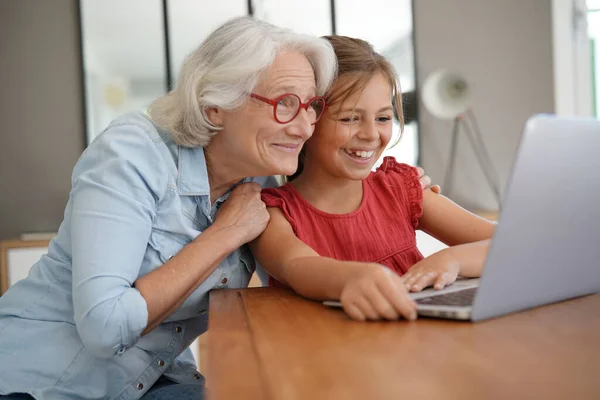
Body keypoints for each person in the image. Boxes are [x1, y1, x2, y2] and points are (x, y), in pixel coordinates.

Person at [0, 18, 435, 399]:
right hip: (39, 384)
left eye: (311, 107)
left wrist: (398, 197)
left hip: (156, 381)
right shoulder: (132, 153)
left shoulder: (261, 177)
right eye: (285, 104)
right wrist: (223, 235)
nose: (305, 126)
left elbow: (299, 269)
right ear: (216, 105)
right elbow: (104, 326)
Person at [251, 35, 496, 322]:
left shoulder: (401, 189)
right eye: (350, 119)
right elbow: (298, 265)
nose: (370, 135)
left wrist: (452, 259)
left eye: (382, 118)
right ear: (307, 120)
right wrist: (356, 277)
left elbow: (509, 243)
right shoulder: (274, 214)